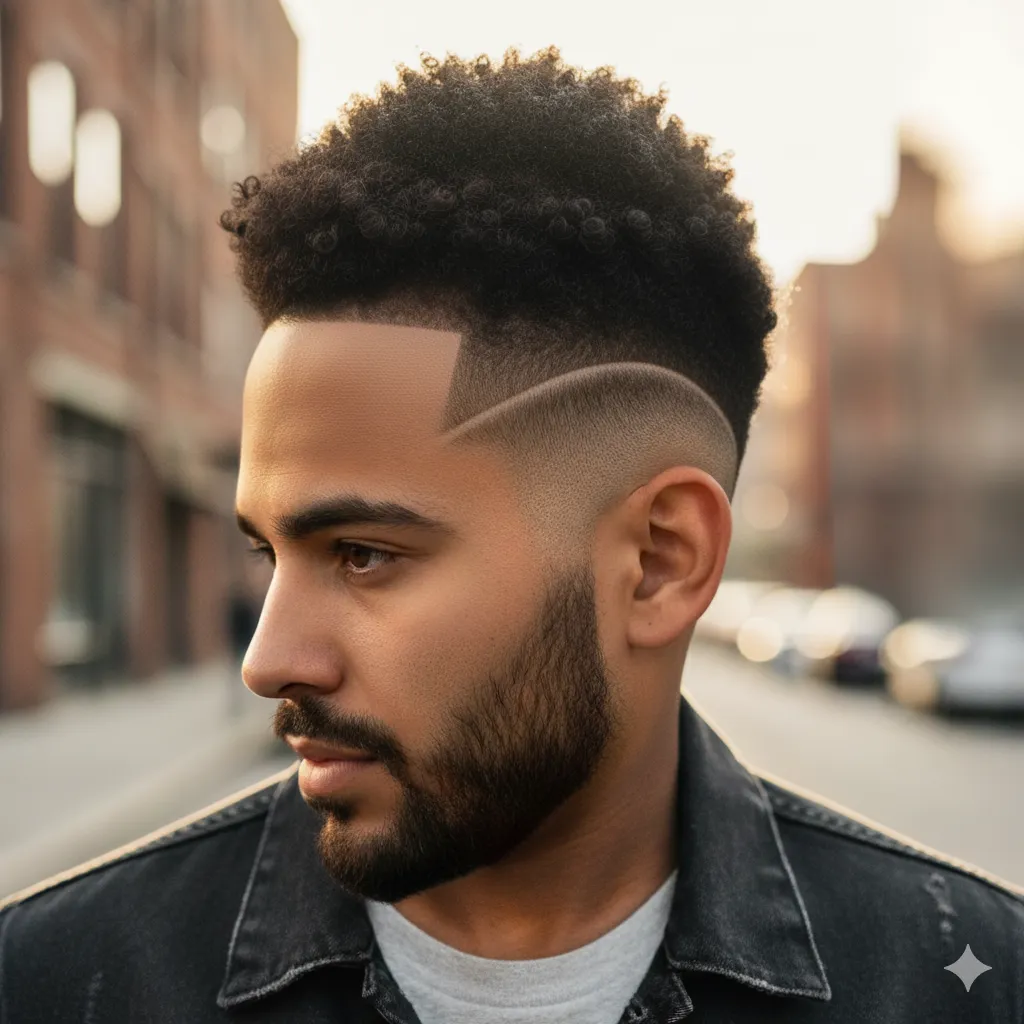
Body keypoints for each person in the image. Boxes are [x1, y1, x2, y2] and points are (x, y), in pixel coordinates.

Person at [1, 47, 1020, 1024]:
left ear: (661, 561)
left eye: (364, 553)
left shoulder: (963, 984)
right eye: (270, 553)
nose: (268, 660)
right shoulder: (59, 981)